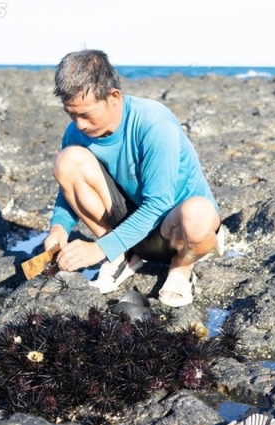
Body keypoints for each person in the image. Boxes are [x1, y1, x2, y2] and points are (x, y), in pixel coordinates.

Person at [43, 49, 223, 307]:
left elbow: (159, 203)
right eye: (71, 114)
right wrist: (59, 227)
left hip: (174, 231)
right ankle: (124, 257)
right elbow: (67, 188)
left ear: (114, 96)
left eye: (86, 114)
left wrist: (99, 248)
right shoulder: (76, 132)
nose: (79, 124)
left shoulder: (154, 124)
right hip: (129, 226)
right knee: (67, 160)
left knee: (200, 214)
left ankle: (181, 269)